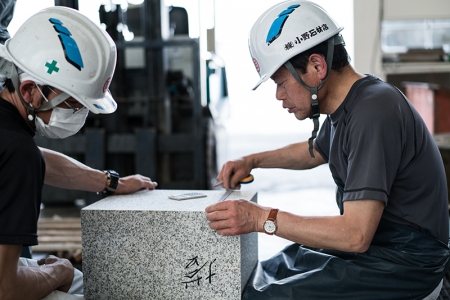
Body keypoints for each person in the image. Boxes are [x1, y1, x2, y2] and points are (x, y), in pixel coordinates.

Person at [205, 1, 450, 299]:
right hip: (382, 247)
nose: (279, 96)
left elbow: (355, 235)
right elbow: (315, 152)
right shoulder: (348, 105)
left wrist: (260, 219)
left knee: (265, 296)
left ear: (317, 67)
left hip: (407, 263)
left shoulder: (374, 111)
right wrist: (252, 161)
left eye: (282, 83)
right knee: (273, 269)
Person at [0, 6, 157, 300]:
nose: (80, 115)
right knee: (79, 287)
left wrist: (111, 182)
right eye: (73, 105)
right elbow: (5, 289)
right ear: (29, 91)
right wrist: (61, 271)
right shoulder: (19, 153)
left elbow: (33, 160)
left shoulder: (11, 138)